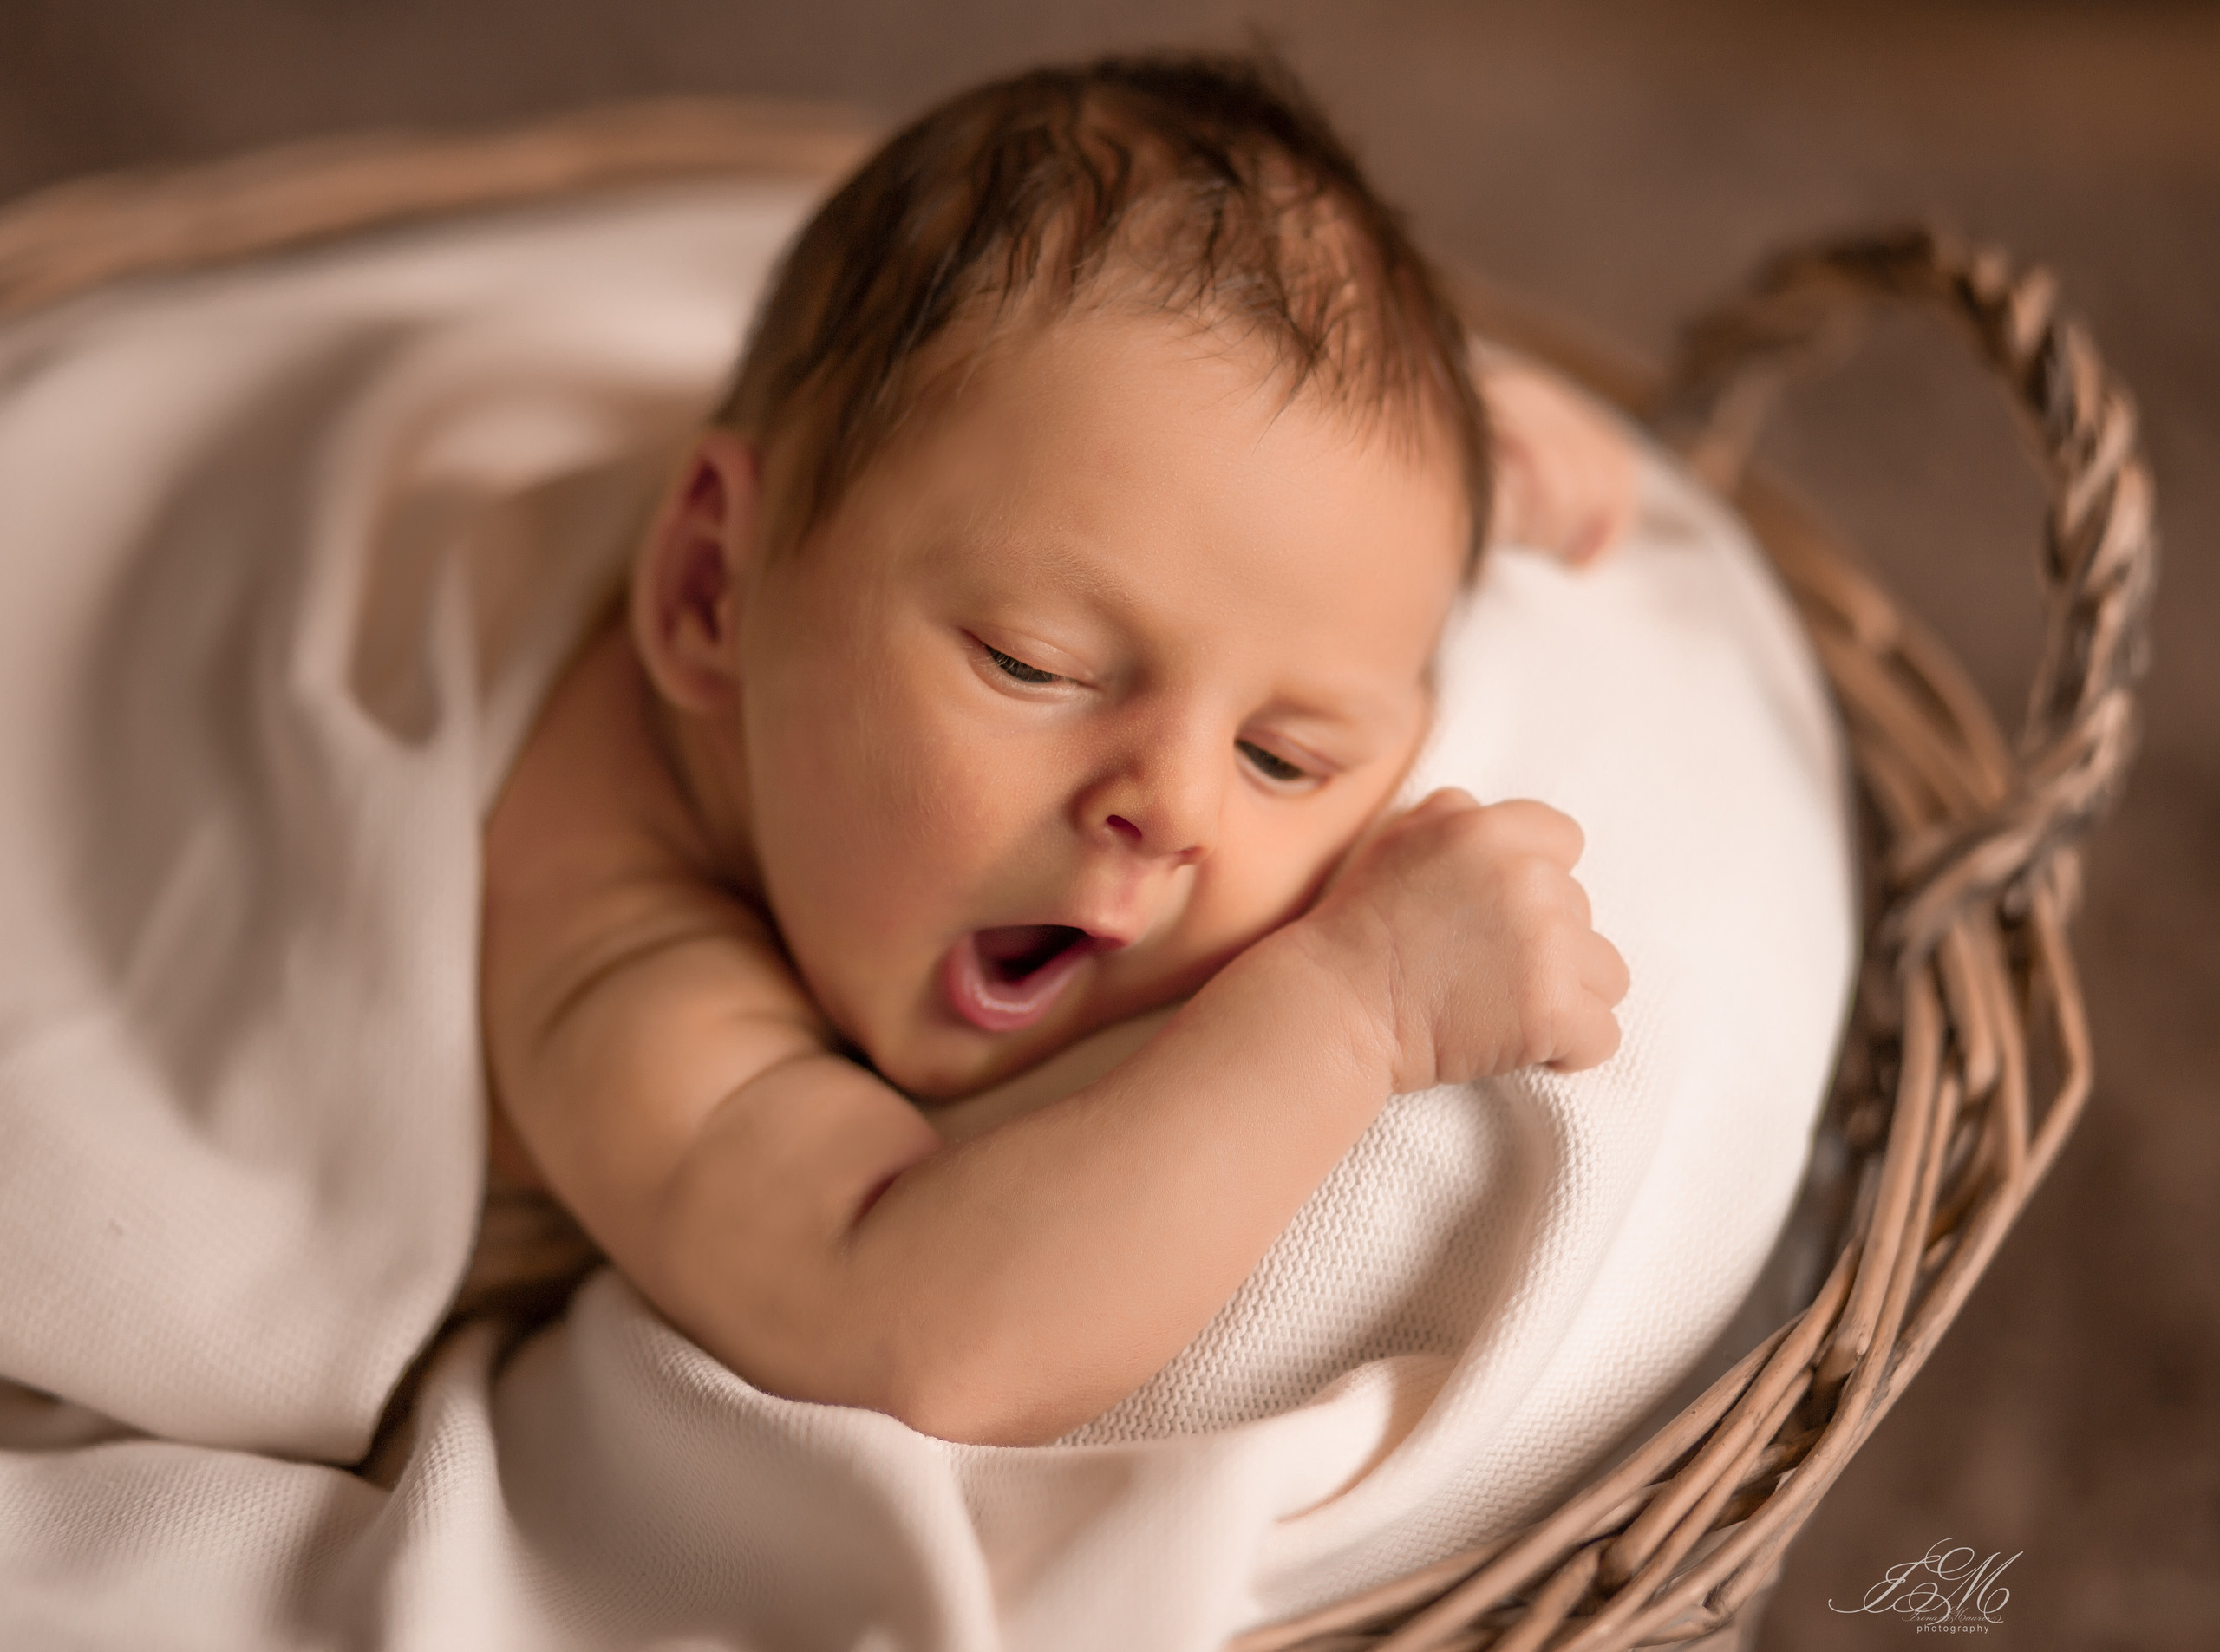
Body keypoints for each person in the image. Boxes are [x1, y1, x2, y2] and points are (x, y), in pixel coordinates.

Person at [479, 51, 1634, 1448]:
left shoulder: (1031, 582)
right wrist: (1353, 1009)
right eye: (1038, 666)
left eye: (1283, 753)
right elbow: (900, 1322)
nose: (1177, 803)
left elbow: (1187, 494)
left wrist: (1415, 491)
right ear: (713, 592)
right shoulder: (609, 937)